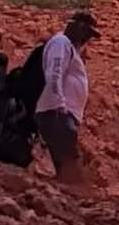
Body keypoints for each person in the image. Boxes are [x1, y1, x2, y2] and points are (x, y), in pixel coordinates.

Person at [34, 12, 100, 182]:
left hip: (60, 112)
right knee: (69, 160)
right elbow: (54, 73)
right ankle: (74, 192)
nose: (87, 40)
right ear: (78, 28)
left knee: (63, 160)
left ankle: (65, 192)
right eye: (87, 34)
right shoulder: (61, 42)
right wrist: (59, 104)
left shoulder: (69, 47)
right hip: (57, 112)